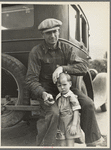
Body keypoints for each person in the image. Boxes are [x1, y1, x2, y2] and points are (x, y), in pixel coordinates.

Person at [26, 18, 104, 146]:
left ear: (59, 31)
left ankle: (93, 141)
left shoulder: (66, 48)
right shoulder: (36, 52)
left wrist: (63, 68)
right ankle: (44, 145)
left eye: (55, 31)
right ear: (43, 35)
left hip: (66, 89)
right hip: (47, 91)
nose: (53, 36)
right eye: (48, 33)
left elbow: (84, 67)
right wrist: (43, 94)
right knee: (54, 113)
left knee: (88, 104)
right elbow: (31, 80)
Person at [55, 73, 84, 147]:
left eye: (64, 84)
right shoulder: (58, 97)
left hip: (70, 123)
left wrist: (74, 125)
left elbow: (76, 110)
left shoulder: (71, 96)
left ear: (70, 84)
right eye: (59, 86)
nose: (62, 88)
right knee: (61, 143)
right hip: (61, 124)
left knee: (70, 143)